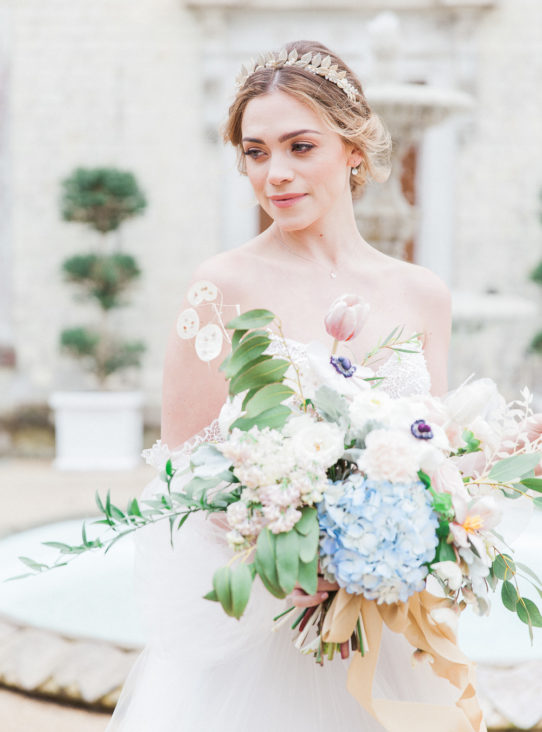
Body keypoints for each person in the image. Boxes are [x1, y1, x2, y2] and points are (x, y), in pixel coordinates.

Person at [107, 39, 482, 731]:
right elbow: (179, 476)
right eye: (255, 152)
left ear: (354, 149)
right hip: (261, 639)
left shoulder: (424, 295)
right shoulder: (222, 287)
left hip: (385, 631)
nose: (273, 173)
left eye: (299, 146)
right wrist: (285, 551)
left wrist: (420, 540)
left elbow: (441, 457)